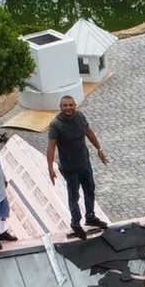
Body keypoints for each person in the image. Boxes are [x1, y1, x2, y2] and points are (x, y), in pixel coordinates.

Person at [44, 95, 106, 237]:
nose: (68, 108)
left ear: (75, 106)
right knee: (74, 195)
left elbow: (89, 132)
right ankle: (76, 223)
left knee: (90, 189)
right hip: (69, 167)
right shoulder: (56, 125)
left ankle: (90, 217)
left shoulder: (80, 117)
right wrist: (50, 167)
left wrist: (99, 148)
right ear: (60, 107)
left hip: (84, 163)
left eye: (70, 105)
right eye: (65, 105)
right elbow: (51, 146)